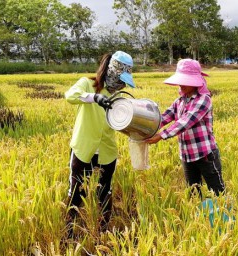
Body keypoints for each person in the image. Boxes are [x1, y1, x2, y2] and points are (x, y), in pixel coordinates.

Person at [64, 51, 135, 235]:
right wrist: (93, 97)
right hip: (84, 148)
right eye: (119, 80)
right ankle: (69, 231)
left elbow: (122, 123)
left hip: (107, 151)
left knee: (104, 192)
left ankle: (103, 232)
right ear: (110, 72)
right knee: (77, 191)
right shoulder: (87, 84)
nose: (120, 85)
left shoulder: (118, 97)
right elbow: (70, 96)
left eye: (123, 83)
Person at [146, 59, 225, 198]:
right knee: (193, 193)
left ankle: (225, 218)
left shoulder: (203, 100)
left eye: (185, 80)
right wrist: (145, 127)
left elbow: (185, 122)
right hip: (187, 155)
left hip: (205, 155)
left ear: (195, 82)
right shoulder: (180, 101)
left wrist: (160, 135)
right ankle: (198, 218)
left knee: (218, 192)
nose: (181, 84)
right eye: (180, 80)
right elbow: (164, 117)